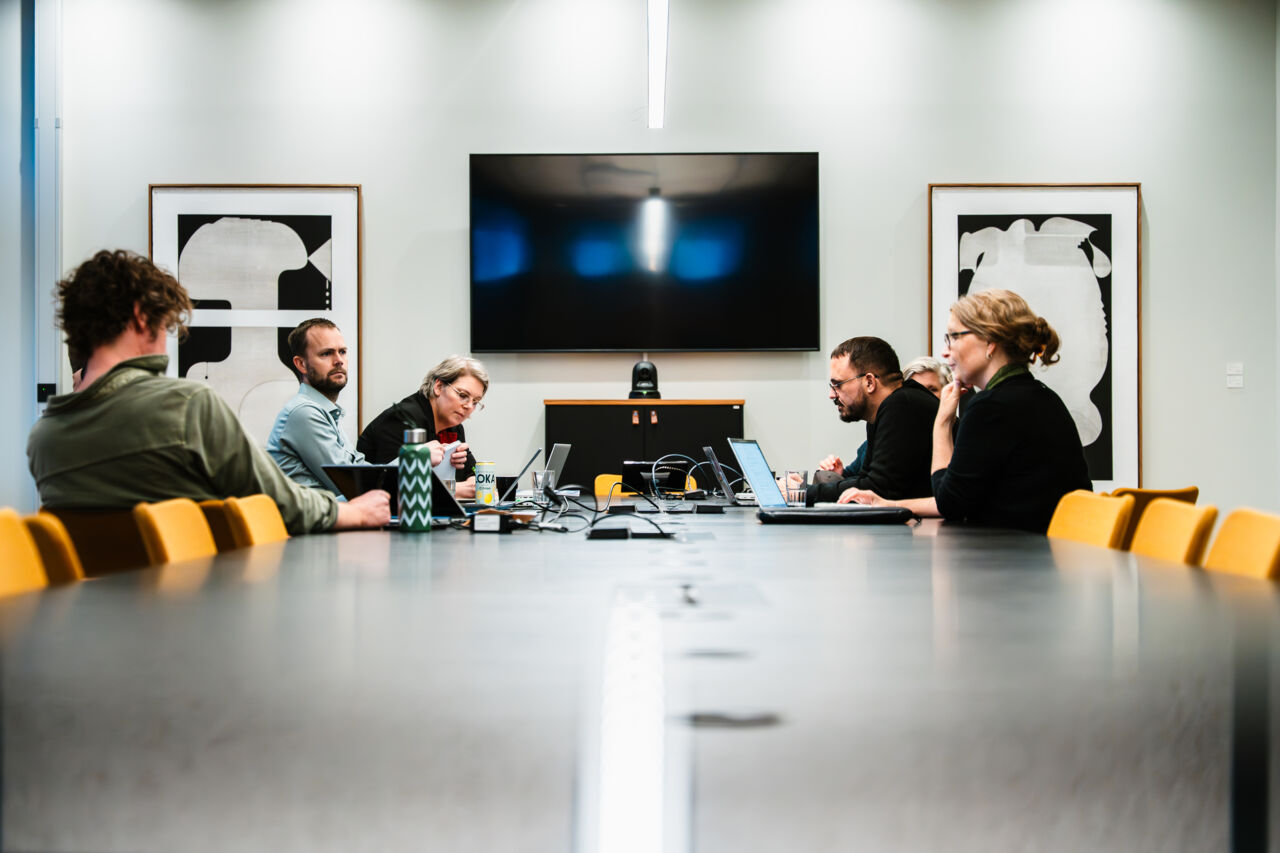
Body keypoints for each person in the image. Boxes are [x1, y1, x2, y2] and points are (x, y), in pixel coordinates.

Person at [27, 249, 389, 534]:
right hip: (192, 610)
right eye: (165, 325)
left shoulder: (44, 439)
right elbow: (274, 500)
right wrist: (353, 512)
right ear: (141, 318)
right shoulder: (187, 406)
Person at [844, 289, 1091, 533]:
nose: (945, 351)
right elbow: (959, 496)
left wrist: (942, 422)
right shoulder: (1043, 397)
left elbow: (949, 501)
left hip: (1019, 562)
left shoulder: (991, 407)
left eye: (954, 337)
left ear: (990, 343)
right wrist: (887, 505)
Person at [807, 336, 938, 504]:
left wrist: (802, 493)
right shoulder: (884, 412)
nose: (832, 394)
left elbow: (878, 489)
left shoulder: (902, 405)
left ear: (869, 382)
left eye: (838, 385)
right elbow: (868, 481)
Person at [358, 355, 488, 500]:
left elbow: (474, 473)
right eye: (463, 395)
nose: (469, 406)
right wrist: (453, 489)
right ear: (438, 387)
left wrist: (476, 481)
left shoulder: (454, 427)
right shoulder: (402, 419)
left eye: (475, 402)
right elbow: (388, 484)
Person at [267, 318, 367, 496]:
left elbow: (362, 472)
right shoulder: (304, 413)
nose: (339, 361)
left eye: (342, 352)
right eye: (326, 354)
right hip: (313, 523)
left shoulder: (326, 412)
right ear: (301, 364)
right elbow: (353, 486)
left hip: (334, 519)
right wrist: (413, 459)